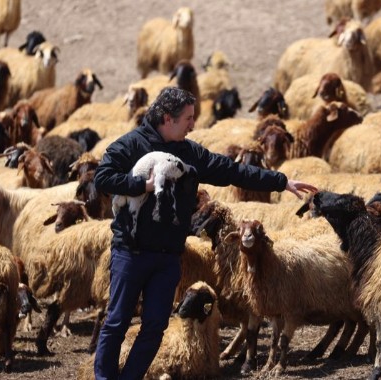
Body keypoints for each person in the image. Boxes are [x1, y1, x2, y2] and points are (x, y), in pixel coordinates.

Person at [93, 87, 317, 379]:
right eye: (187, 118)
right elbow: (103, 177)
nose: (193, 124)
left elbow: (230, 171)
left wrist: (281, 181)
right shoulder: (129, 146)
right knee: (117, 321)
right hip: (131, 252)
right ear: (166, 118)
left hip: (168, 257)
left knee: (155, 326)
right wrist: (142, 186)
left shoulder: (189, 152)